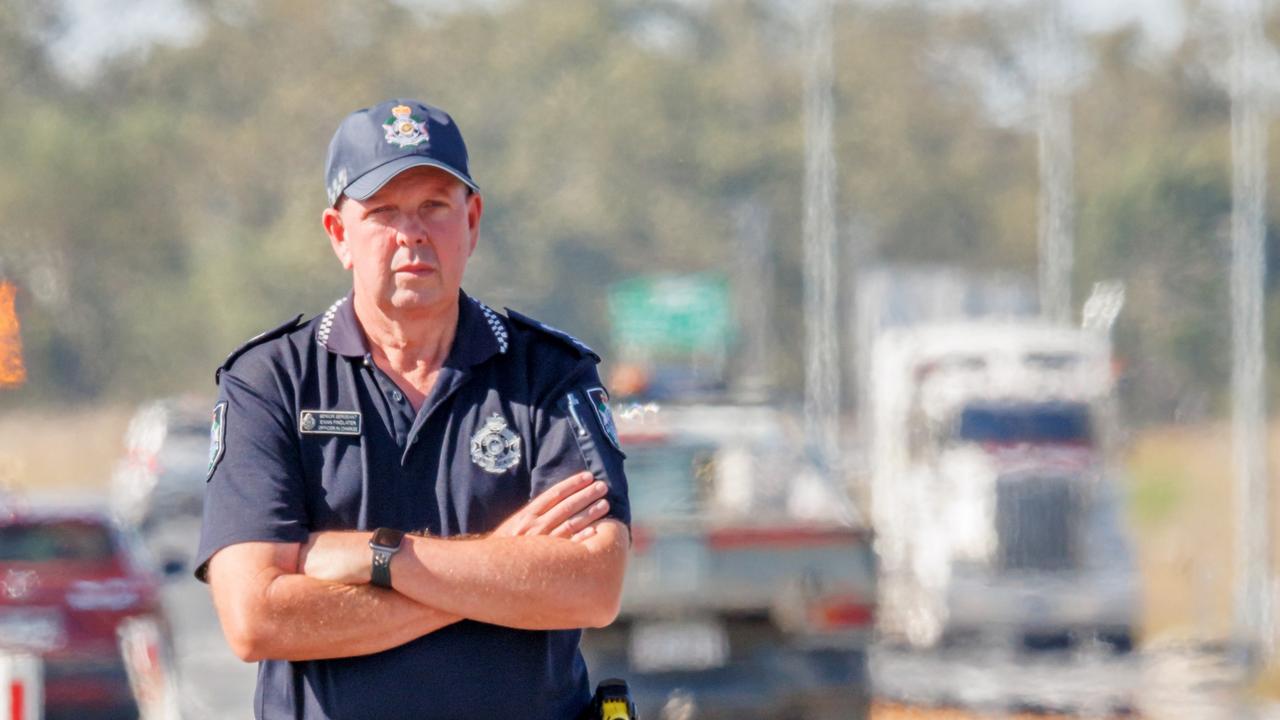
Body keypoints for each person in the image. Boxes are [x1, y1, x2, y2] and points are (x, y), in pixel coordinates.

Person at [195, 98, 631, 720]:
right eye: (382, 212)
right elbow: (255, 618)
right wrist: (502, 565)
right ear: (339, 234)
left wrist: (381, 557)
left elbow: (593, 587)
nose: (412, 234)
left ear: (472, 221)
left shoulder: (548, 375)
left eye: (434, 206)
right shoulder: (271, 382)